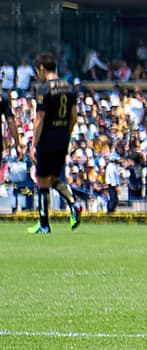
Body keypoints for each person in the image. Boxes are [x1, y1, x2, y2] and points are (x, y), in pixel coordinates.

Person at [27, 52, 81, 235]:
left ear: (42, 68)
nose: (37, 75)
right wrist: (67, 134)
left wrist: (33, 145)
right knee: (54, 178)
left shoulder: (44, 89)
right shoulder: (68, 87)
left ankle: (44, 223)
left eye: (37, 71)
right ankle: (74, 204)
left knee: (42, 180)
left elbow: (39, 119)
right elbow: (74, 117)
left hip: (48, 136)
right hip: (63, 136)